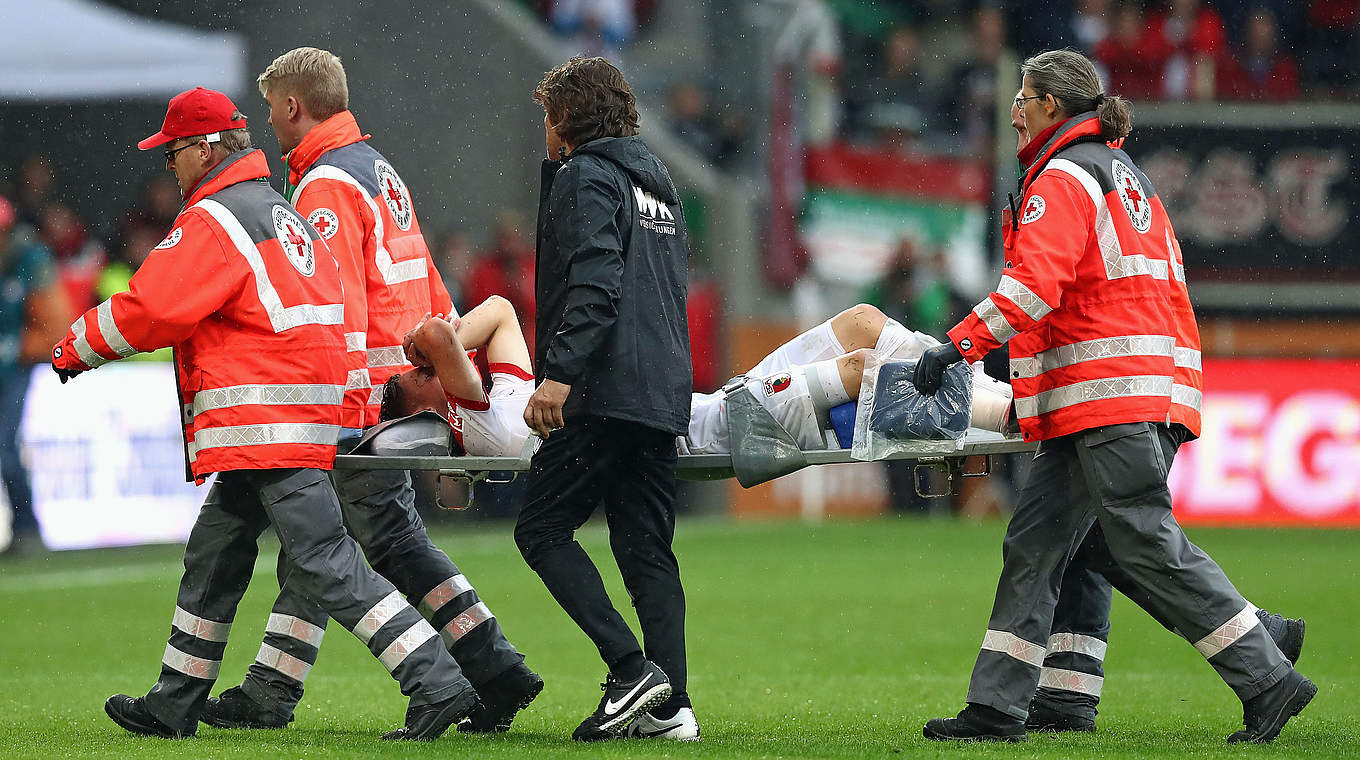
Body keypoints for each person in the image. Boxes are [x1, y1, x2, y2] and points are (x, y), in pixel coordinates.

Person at [50, 86, 479, 741]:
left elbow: (152, 307)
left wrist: (75, 347)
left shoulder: (215, 220)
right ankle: (174, 702)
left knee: (328, 562)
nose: (168, 164)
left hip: (266, 423)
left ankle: (437, 682)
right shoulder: (277, 210)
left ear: (204, 147)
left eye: (172, 151)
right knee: (215, 554)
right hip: (295, 415)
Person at [916, 50, 1315, 744]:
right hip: (1115, 395)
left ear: (1051, 106)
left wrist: (956, 346)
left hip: (1112, 397)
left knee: (1139, 543)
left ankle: (1268, 674)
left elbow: (1036, 286)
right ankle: (997, 707)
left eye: (1023, 95)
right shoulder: (1122, 175)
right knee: (1038, 542)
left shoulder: (1063, 176)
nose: (1012, 109)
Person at [199, 47, 541, 736]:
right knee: (329, 540)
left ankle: (488, 670)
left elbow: (341, 307)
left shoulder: (324, 185)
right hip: (410, 386)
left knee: (370, 540)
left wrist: (347, 410)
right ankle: (273, 688)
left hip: (373, 397)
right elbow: (424, 283)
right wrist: (449, 385)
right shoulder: (375, 169)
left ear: (294, 106)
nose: (268, 123)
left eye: (271, 109)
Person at [515, 56, 695, 742]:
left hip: (603, 387)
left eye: (545, 115)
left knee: (540, 528)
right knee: (647, 549)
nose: (543, 130)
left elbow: (596, 281)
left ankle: (630, 670)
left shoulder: (585, 174)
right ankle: (672, 708)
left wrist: (559, 372)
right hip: (660, 389)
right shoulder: (658, 182)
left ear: (565, 118)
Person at [384, 301, 927, 459]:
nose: (426, 370)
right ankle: (997, 410)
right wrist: (426, 344)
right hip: (712, 433)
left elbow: (501, 310)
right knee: (859, 369)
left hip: (712, 407)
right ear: (421, 411)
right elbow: (435, 336)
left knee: (862, 321)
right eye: (417, 377)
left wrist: (446, 337)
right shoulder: (470, 421)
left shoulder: (502, 396)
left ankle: (961, 374)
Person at [0, 197, 70, 556]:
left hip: (16, 371)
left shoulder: (30, 262)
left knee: (5, 449)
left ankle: (27, 528)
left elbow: (56, 329)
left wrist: (12, 346)